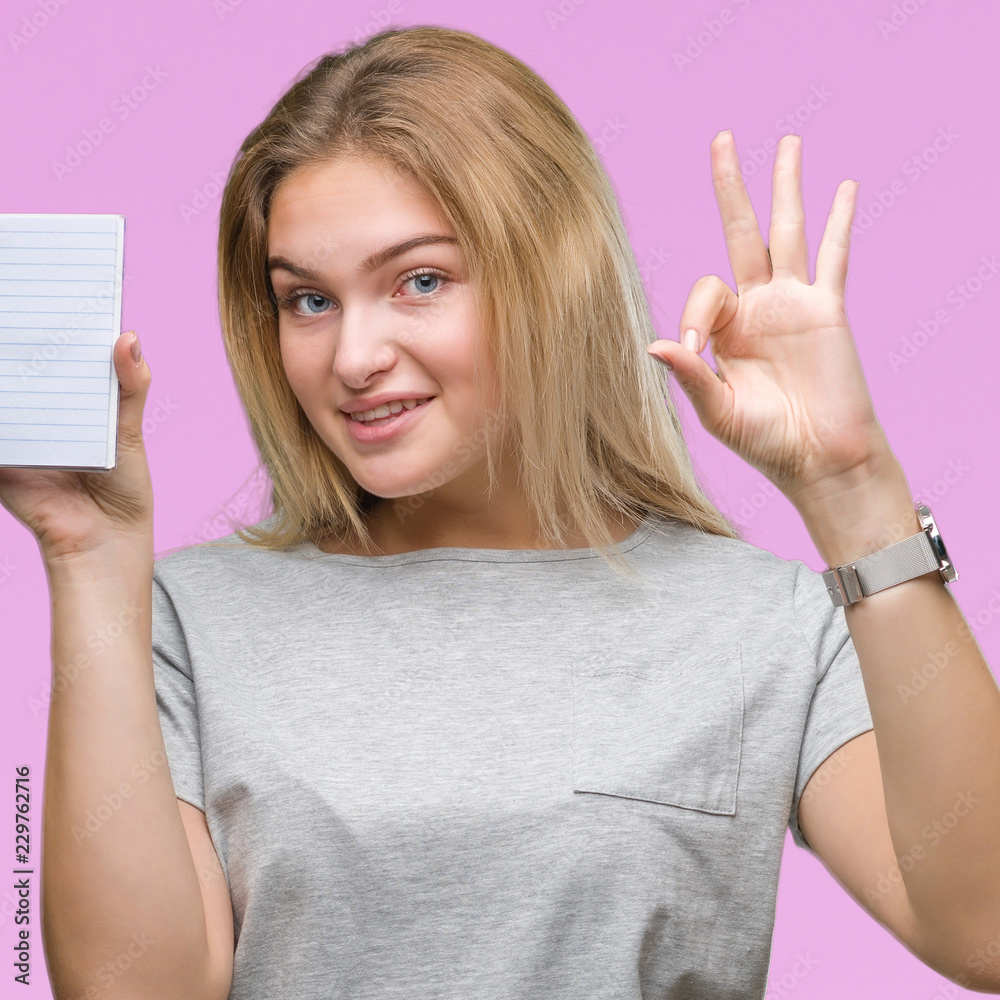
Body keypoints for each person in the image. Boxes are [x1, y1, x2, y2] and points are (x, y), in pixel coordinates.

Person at [3, 23, 999, 1000]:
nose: (351, 357)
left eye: (419, 281)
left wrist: (851, 488)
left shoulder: (769, 627)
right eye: (307, 300)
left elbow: (987, 933)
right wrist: (87, 556)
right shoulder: (184, 618)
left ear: (553, 278)